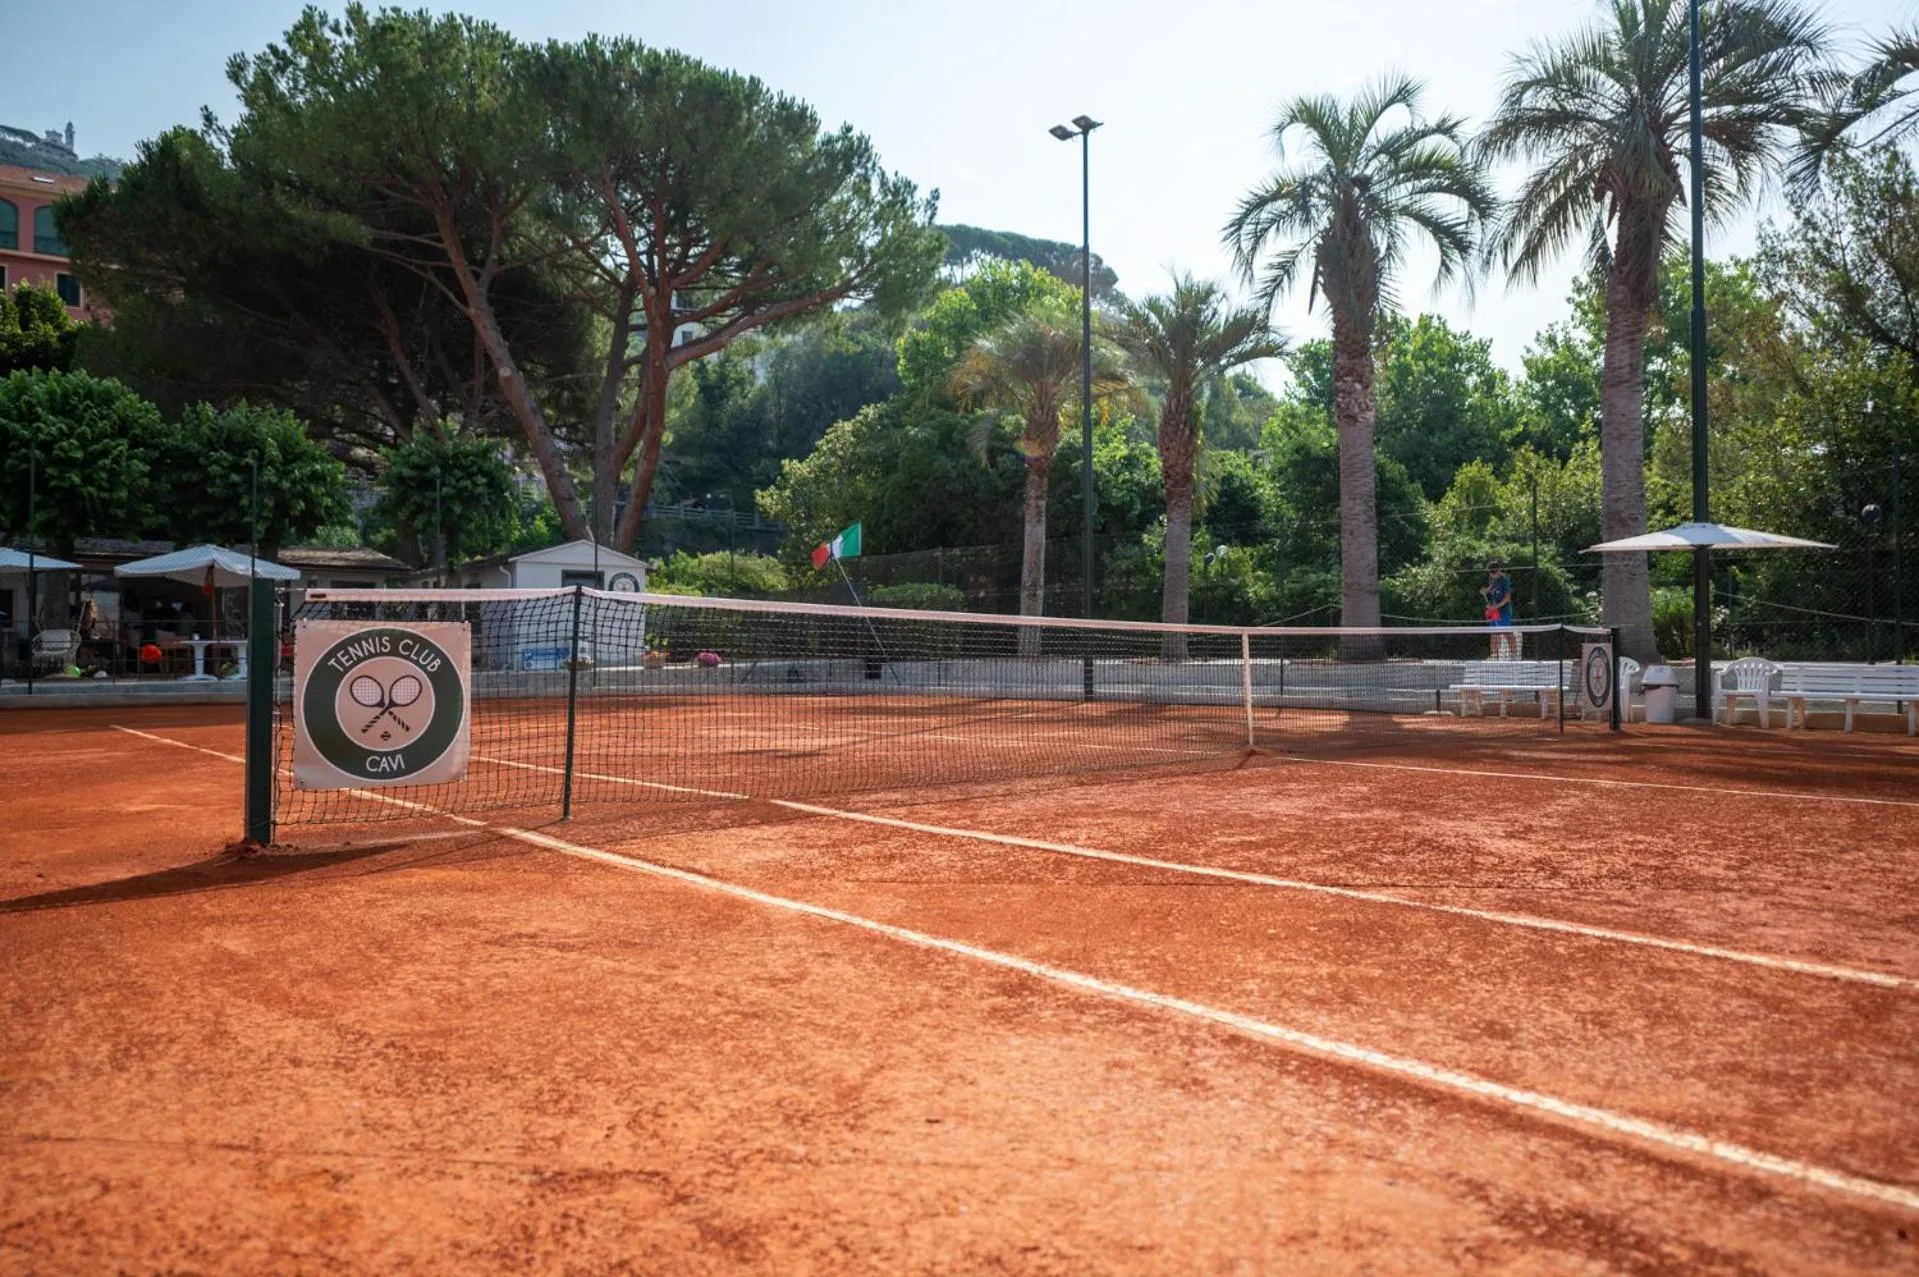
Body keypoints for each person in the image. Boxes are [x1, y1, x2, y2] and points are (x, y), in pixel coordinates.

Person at [1480, 562, 1518, 659]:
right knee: (1494, 634)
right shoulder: (1492, 579)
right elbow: (1491, 589)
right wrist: (1485, 590)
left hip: (1504, 612)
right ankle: (1494, 656)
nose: (1492, 574)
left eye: (1493, 572)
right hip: (1495, 612)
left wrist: (1495, 606)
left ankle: (1514, 656)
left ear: (1498, 571)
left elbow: (1507, 598)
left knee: (1507, 633)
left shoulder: (1504, 580)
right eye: (1490, 572)